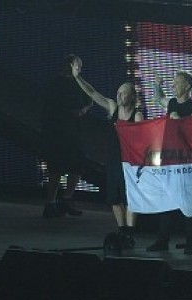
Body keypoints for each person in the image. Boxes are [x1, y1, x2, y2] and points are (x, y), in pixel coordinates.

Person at [73, 69, 143, 249]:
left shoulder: (137, 115)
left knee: (129, 199)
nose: (120, 96)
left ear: (132, 96)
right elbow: (92, 92)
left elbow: (144, 139)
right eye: (118, 93)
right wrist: (77, 77)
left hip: (129, 163)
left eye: (124, 93)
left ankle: (130, 233)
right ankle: (121, 230)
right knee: (113, 198)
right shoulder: (112, 107)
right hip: (112, 161)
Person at [147, 71, 192, 254]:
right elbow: (160, 99)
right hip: (169, 158)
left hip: (186, 161)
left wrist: (181, 122)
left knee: (188, 201)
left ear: (187, 86)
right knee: (166, 199)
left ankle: (191, 243)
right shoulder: (171, 103)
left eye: (177, 83)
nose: (174, 86)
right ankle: (163, 240)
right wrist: (157, 84)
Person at [39, 54, 93, 218]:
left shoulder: (76, 85)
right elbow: (48, 108)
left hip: (70, 131)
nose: (80, 70)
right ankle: (54, 202)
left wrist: (83, 110)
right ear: (71, 65)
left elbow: (89, 99)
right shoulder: (55, 84)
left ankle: (63, 200)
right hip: (58, 132)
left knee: (74, 164)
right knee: (57, 167)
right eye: (78, 66)